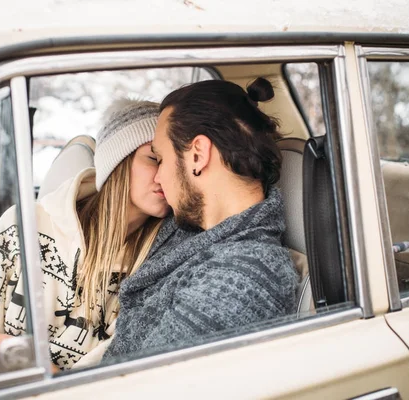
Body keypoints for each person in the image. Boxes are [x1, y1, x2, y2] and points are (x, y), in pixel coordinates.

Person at [0, 99, 169, 371]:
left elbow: (113, 382)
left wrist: (43, 371)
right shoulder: (26, 226)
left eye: (173, 163)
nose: (165, 175)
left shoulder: (160, 264)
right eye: (153, 158)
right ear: (118, 160)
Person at [102, 78, 299, 359]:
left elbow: (143, 386)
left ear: (197, 155)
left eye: (161, 159)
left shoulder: (242, 280)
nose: (158, 177)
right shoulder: (194, 228)